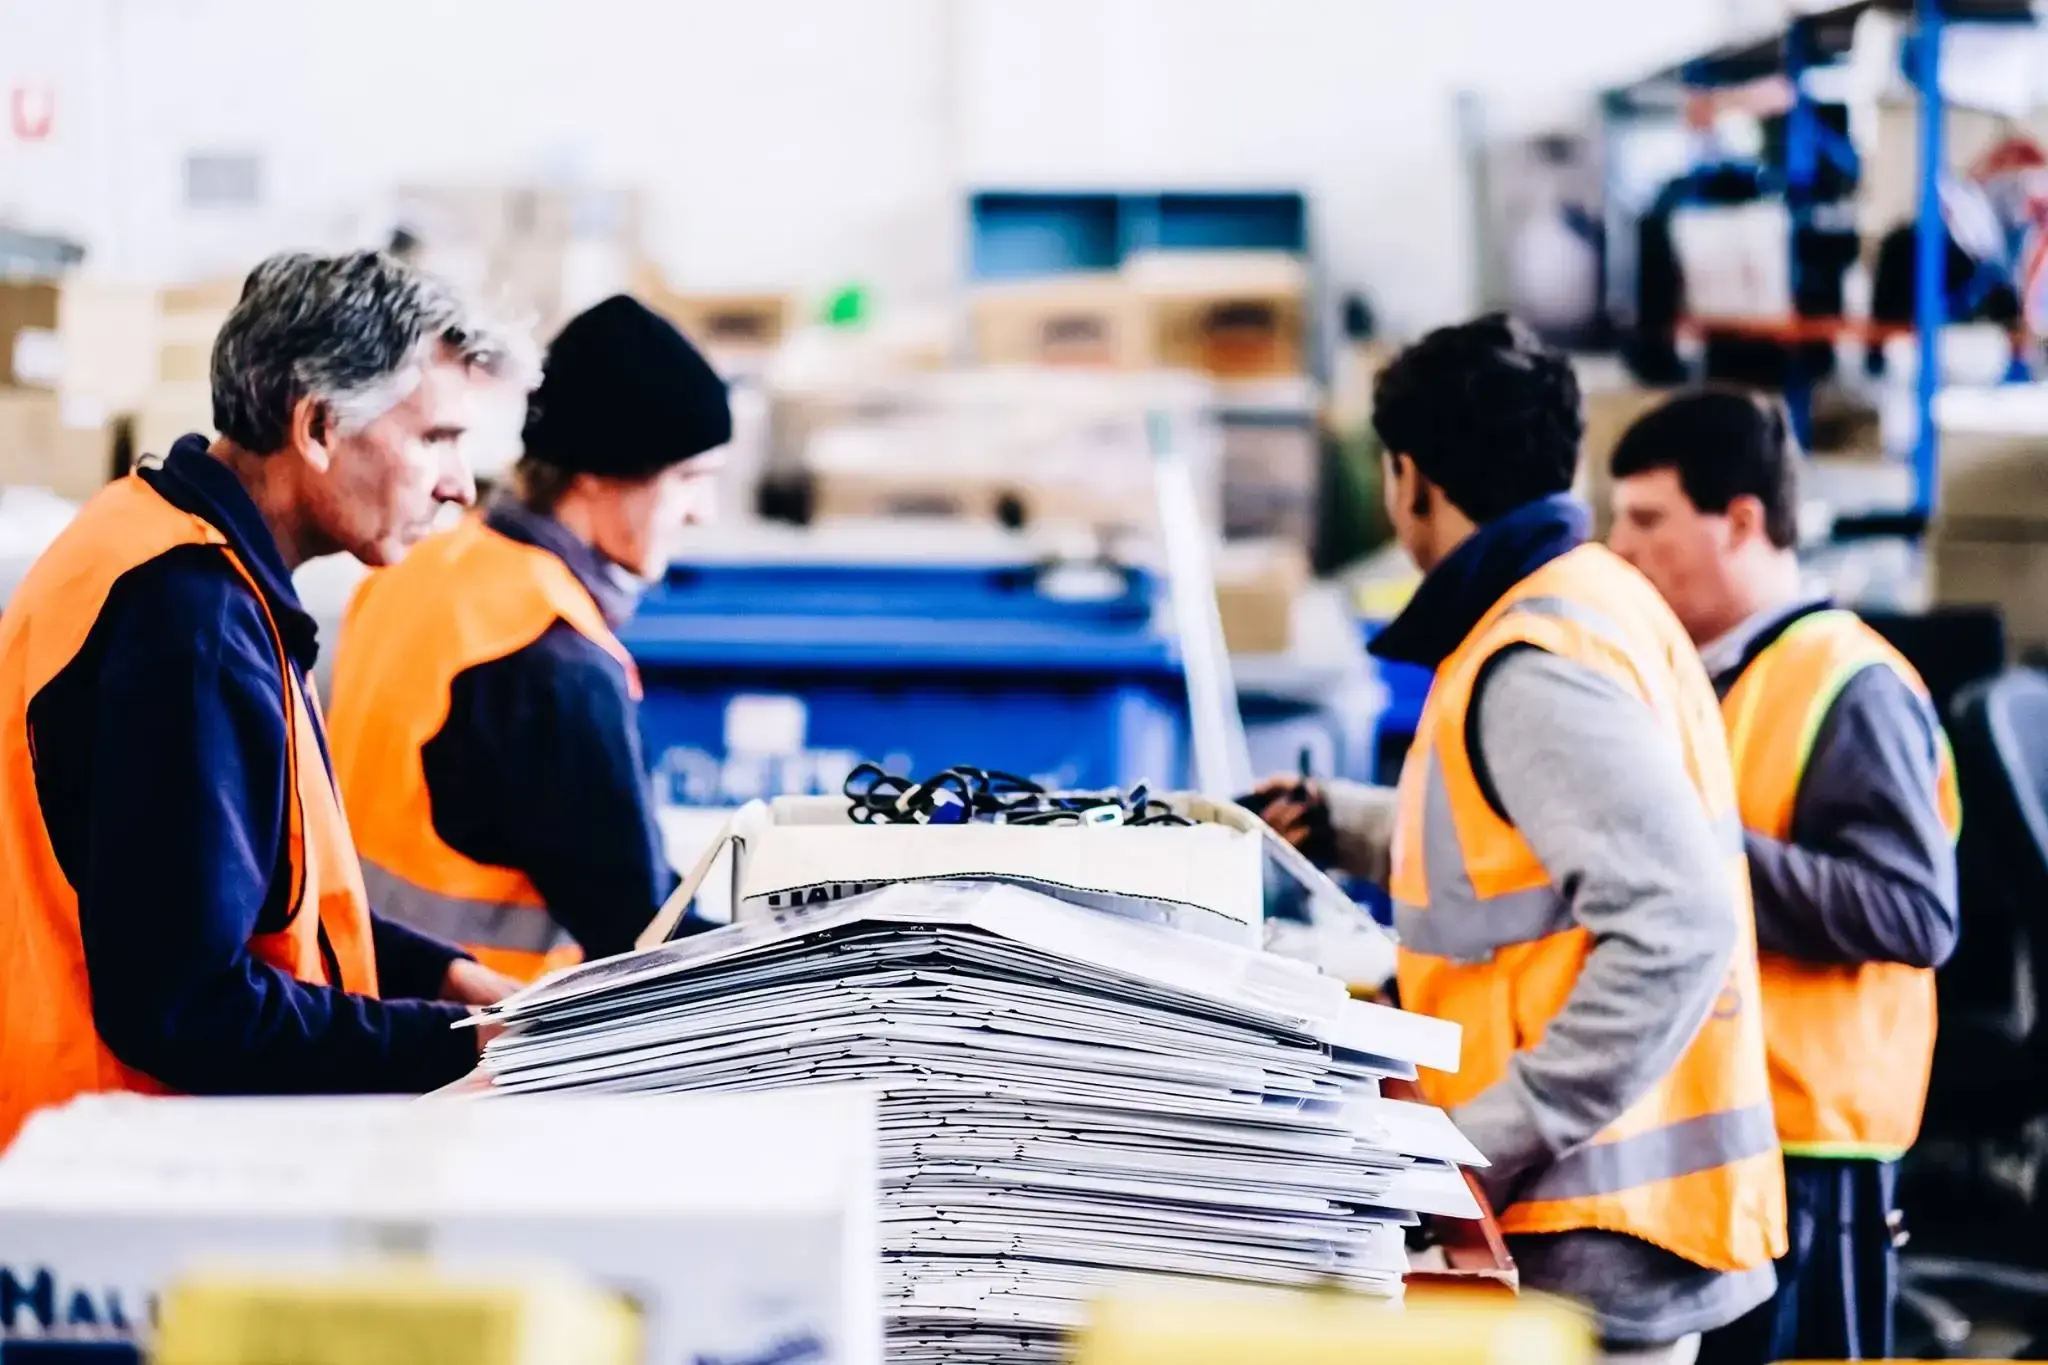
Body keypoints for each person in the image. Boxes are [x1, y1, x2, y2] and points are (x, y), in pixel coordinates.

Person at [1255, 315, 1784, 1363]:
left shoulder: (1532, 659)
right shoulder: (1591, 600)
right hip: (1608, 1214)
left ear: (1409, 479)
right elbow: (1530, 846)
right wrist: (1341, 825)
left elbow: (1674, 926)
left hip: (1587, 1224)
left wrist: (1473, 1143)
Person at [0, 250, 536, 1150]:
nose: (461, 485)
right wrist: (450, 1044)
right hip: (119, 1180)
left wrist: (439, 973)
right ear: (319, 426)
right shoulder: (189, 619)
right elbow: (185, 1005)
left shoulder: (169, 546)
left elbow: (250, 909)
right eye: (437, 439)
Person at [1608, 388, 1960, 1364]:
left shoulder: (1848, 684)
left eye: (1646, 519)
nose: (1620, 549)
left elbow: (1914, 912)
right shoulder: (1714, 677)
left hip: (1812, 1153)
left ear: (1742, 520)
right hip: (1726, 1133)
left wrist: (1693, 851)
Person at [326, 295, 731, 981]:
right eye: (689, 479)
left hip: (356, 1003)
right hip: (488, 1043)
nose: (703, 511)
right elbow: (644, 935)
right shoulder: (550, 656)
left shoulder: (414, 570)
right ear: (601, 473)